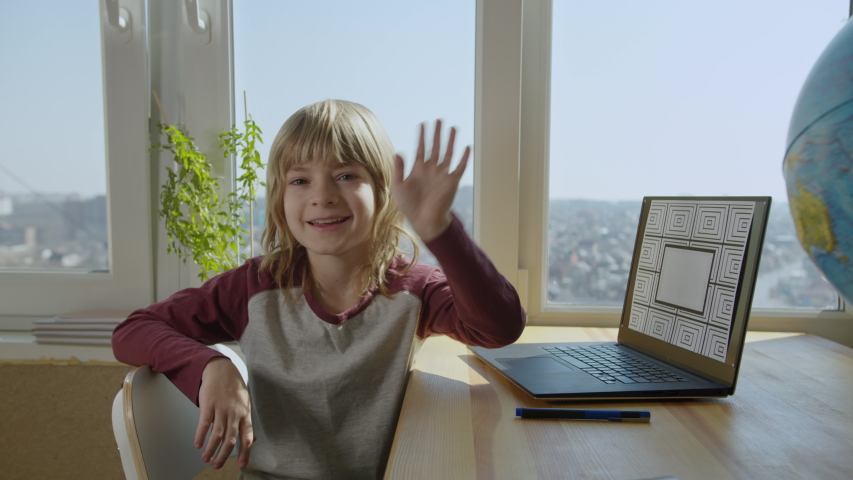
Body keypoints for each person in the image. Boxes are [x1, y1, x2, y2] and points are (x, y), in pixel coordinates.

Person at [112, 99, 526, 479]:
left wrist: (441, 231)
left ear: (383, 191)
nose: (323, 196)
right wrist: (209, 367)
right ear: (278, 197)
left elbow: (499, 327)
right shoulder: (254, 286)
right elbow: (133, 330)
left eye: (346, 175)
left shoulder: (413, 288)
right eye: (300, 180)